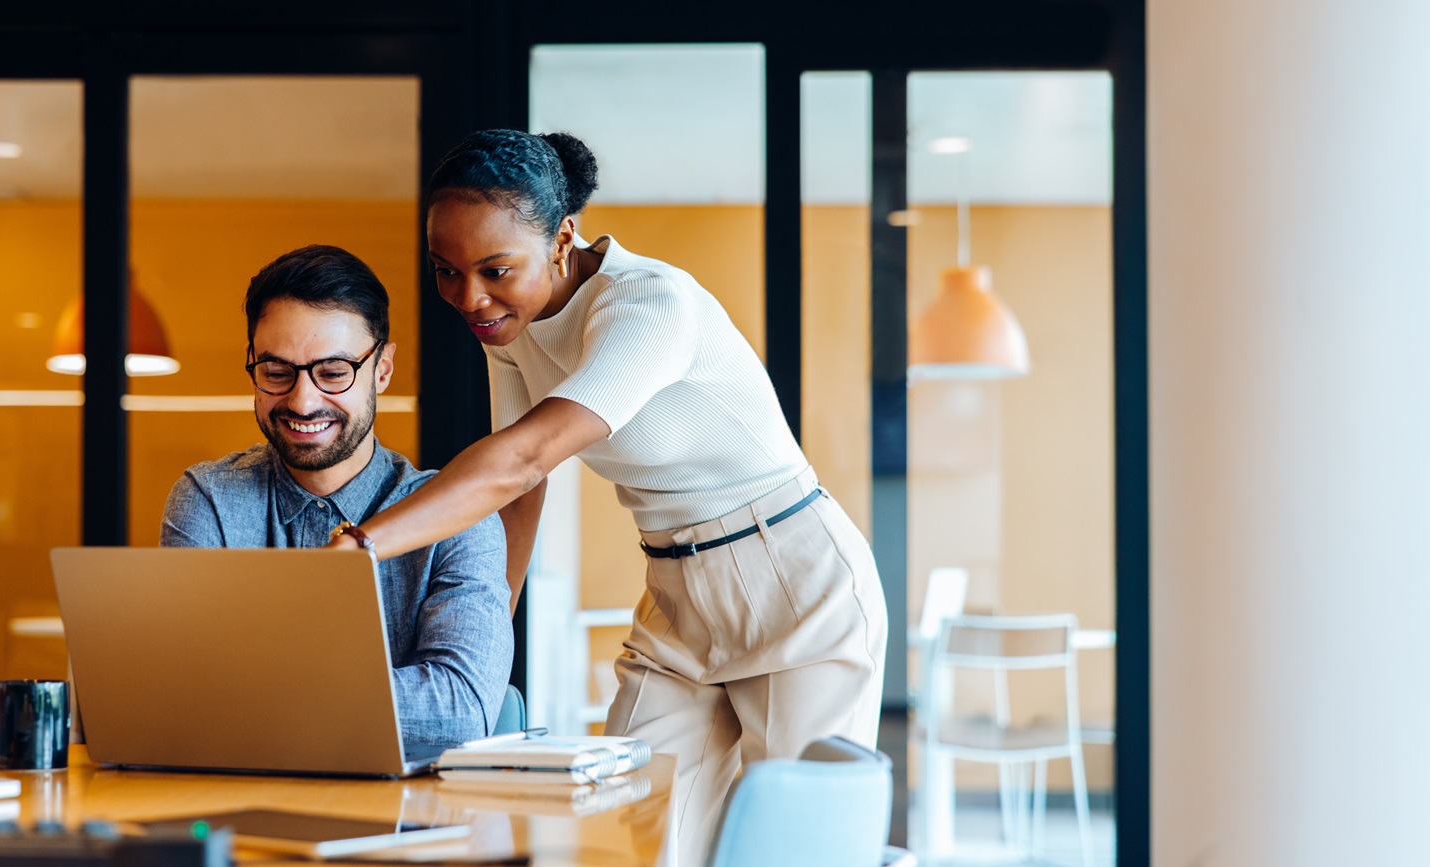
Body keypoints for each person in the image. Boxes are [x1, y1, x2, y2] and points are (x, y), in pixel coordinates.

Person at [323, 129, 888, 864]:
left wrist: (362, 545)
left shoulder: (649, 303)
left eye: (495, 269)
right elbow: (518, 496)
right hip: (676, 594)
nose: (469, 297)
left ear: (562, 240)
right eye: (446, 271)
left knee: (792, 849)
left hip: (793, 580)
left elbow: (525, 457)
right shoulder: (510, 329)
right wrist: (487, 639)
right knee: (623, 834)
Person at [161, 244, 513, 748]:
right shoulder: (209, 501)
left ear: (382, 370)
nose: (303, 401)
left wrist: (247, 692)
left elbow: (459, 711)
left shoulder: (461, 519)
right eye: (276, 372)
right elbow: (179, 695)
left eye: (332, 372)